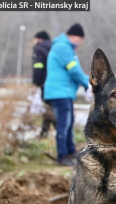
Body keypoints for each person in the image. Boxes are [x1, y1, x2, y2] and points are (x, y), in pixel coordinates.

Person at [44, 23, 90, 166]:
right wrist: (88, 84)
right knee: (64, 123)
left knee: (69, 122)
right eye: (80, 40)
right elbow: (74, 70)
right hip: (59, 92)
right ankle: (62, 155)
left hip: (65, 92)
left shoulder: (66, 48)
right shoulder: (63, 48)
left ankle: (70, 152)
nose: (80, 44)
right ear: (75, 37)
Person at [32, 31, 56, 138]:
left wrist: (35, 83)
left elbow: (38, 67)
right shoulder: (54, 47)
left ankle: (55, 131)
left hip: (44, 83)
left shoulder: (39, 49)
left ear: (39, 39)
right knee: (50, 106)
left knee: (48, 106)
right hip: (55, 82)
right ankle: (44, 132)